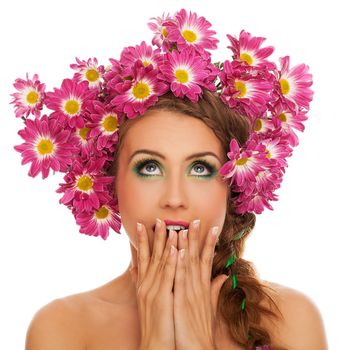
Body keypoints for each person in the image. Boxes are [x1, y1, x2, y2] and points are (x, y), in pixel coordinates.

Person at [12, 9, 328, 350]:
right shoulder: (63, 328)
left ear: (234, 185)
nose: (175, 198)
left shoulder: (290, 319)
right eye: (149, 167)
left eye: (201, 169)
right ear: (108, 183)